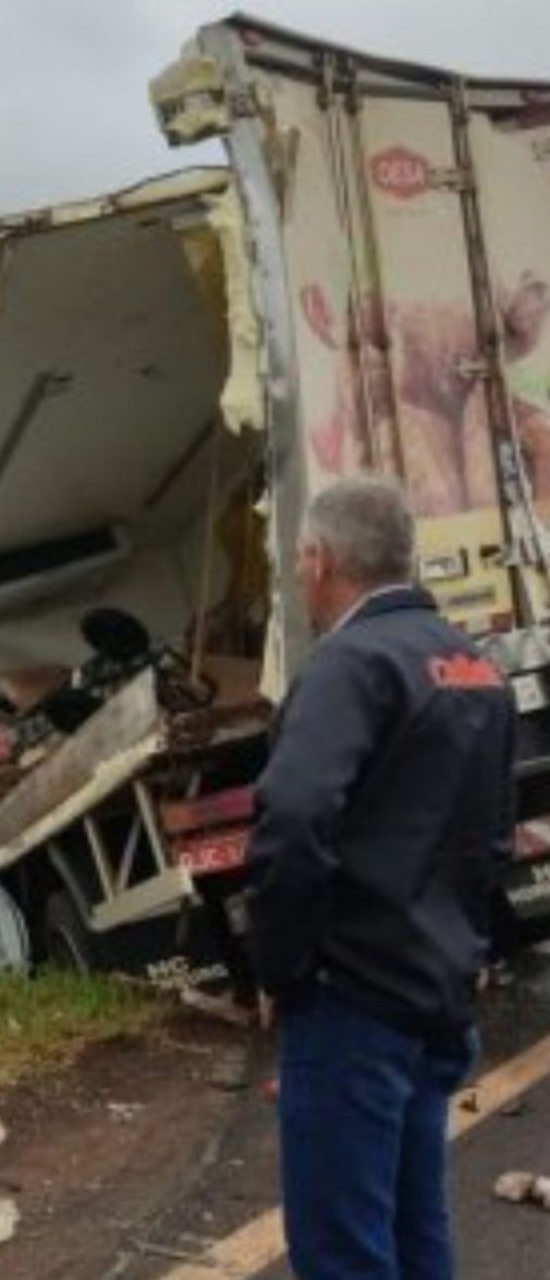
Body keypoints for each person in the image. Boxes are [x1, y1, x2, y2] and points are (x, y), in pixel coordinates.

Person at [247, 477, 515, 1280]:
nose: (301, 578)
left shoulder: (348, 666)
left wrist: (280, 967)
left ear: (321, 560)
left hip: (351, 1005)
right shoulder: (476, 668)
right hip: (437, 995)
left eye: (300, 563)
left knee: (342, 1252)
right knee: (415, 1231)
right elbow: (492, 839)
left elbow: (292, 820)